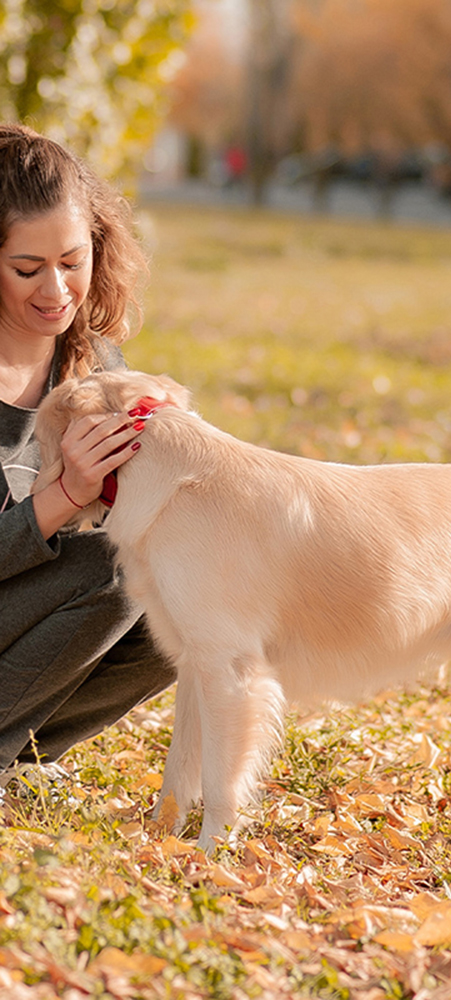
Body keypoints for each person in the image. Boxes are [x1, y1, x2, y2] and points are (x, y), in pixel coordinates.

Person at [0, 123, 176, 778]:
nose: (56, 292)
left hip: (22, 626)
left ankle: (20, 756)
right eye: (27, 269)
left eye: (73, 262)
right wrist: (63, 497)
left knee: (181, 591)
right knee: (114, 569)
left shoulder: (94, 362)